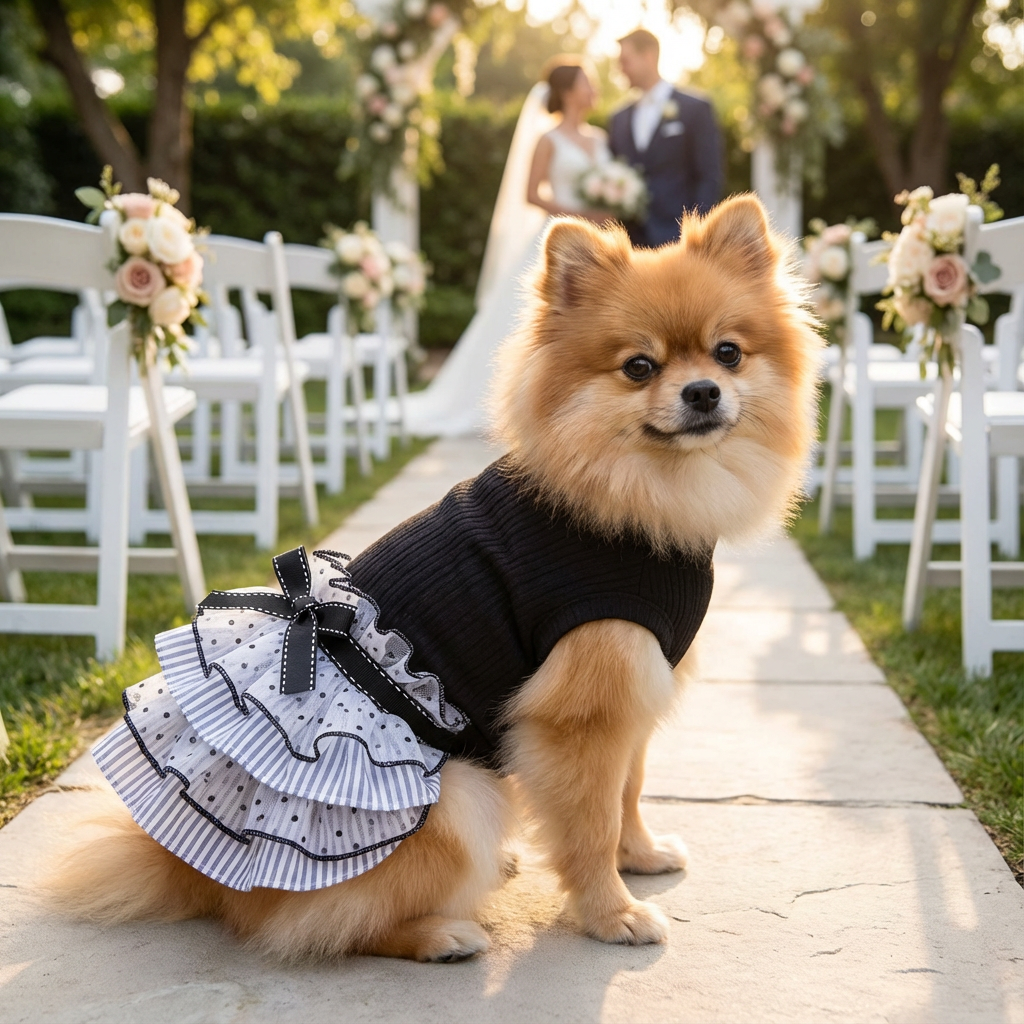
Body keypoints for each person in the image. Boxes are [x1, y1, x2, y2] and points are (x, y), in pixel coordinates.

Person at [405, 56, 611, 437]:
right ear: (567, 91)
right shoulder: (548, 139)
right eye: (588, 82)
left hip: (598, 243)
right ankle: (499, 398)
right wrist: (573, 213)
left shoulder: (600, 139)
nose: (594, 89)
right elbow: (531, 193)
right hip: (556, 239)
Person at [610, 28, 723, 248]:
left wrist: (695, 235)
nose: (620, 69)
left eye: (625, 61)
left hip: (678, 239)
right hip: (629, 245)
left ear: (649, 56)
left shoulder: (695, 109)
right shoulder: (618, 118)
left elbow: (709, 176)